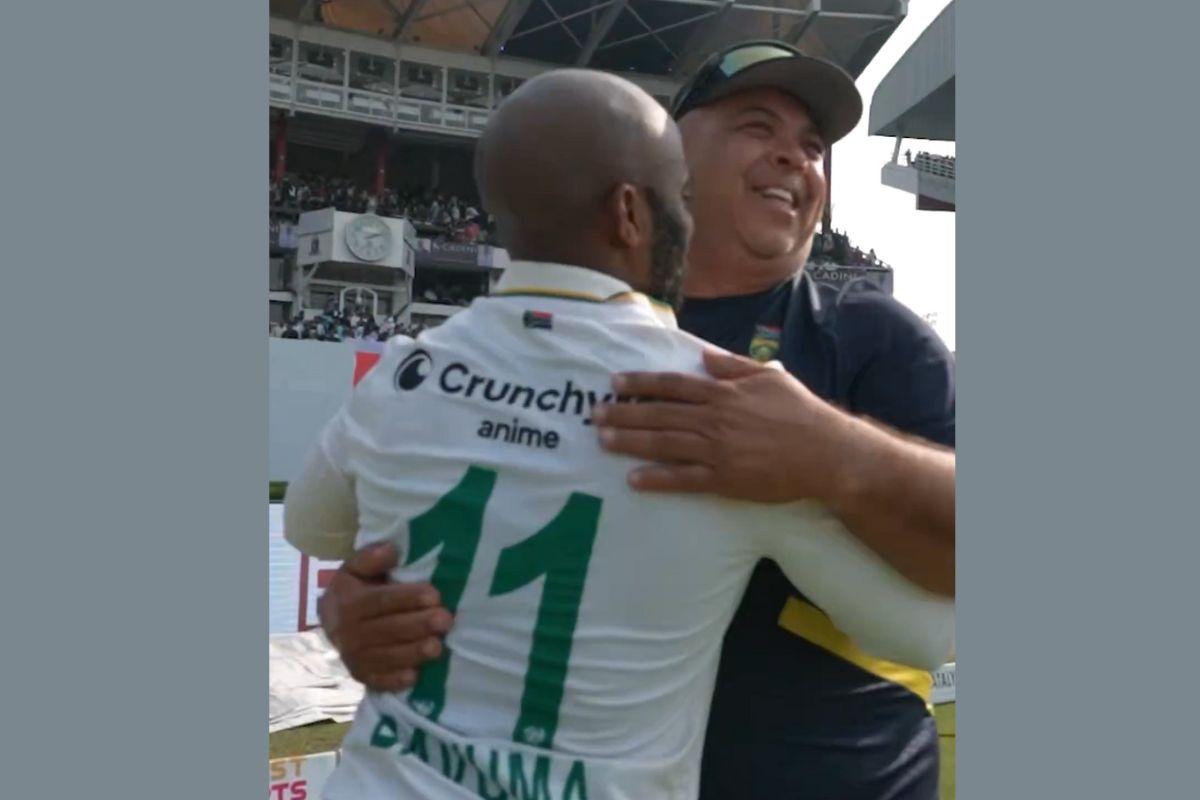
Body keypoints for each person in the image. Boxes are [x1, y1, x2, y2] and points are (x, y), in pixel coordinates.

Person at [286, 68, 952, 800]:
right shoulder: (695, 386)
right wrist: (353, 607)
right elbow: (928, 633)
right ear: (653, 181)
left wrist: (837, 455)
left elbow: (315, 520)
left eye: (815, 145)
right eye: (756, 126)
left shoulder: (872, 337)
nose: (798, 157)